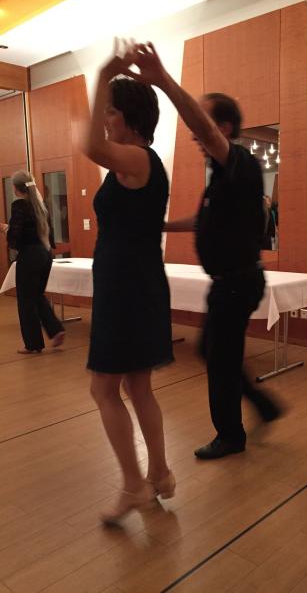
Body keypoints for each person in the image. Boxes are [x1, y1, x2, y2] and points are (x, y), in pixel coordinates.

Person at [132, 42, 282, 460]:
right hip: (230, 283)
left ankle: (231, 437)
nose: (193, 132)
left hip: (236, 282)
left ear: (224, 128)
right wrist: (160, 225)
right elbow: (203, 221)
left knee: (219, 359)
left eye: (203, 122)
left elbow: (204, 128)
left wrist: (163, 81)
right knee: (214, 352)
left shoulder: (241, 164)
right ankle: (264, 406)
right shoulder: (220, 178)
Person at [83, 40, 175, 524]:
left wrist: (103, 74)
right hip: (138, 284)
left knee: (104, 389)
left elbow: (91, 146)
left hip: (126, 288)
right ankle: (159, 473)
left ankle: (134, 486)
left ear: (132, 120)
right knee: (139, 386)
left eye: (112, 113)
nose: (105, 121)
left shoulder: (137, 159)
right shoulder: (140, 164)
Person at [0, 171, 65, 354]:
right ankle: (55, 329)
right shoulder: (40, 204)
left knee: (26, 301)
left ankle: (33, 344)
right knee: (36, 296)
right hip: (45, 254)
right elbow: (40, 232)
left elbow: (15, 237)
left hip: (30, 257)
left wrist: (5, 230)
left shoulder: (19, 205)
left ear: (15, 188)